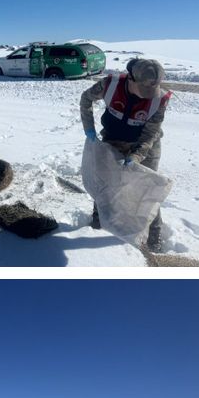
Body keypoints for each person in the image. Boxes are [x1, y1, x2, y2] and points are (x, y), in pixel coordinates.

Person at [79, 58, 172, 252]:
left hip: (145, 145)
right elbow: (85, 99)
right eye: (143, 90)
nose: (147, 96)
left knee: (146, 187)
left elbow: (150, 134)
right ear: (131, 79)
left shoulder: (159, 99)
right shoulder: (109, 85)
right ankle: (99, 224)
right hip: (113, 139)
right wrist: (89, 128)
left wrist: (137, 156)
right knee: (104, 181)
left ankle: (153, 238)